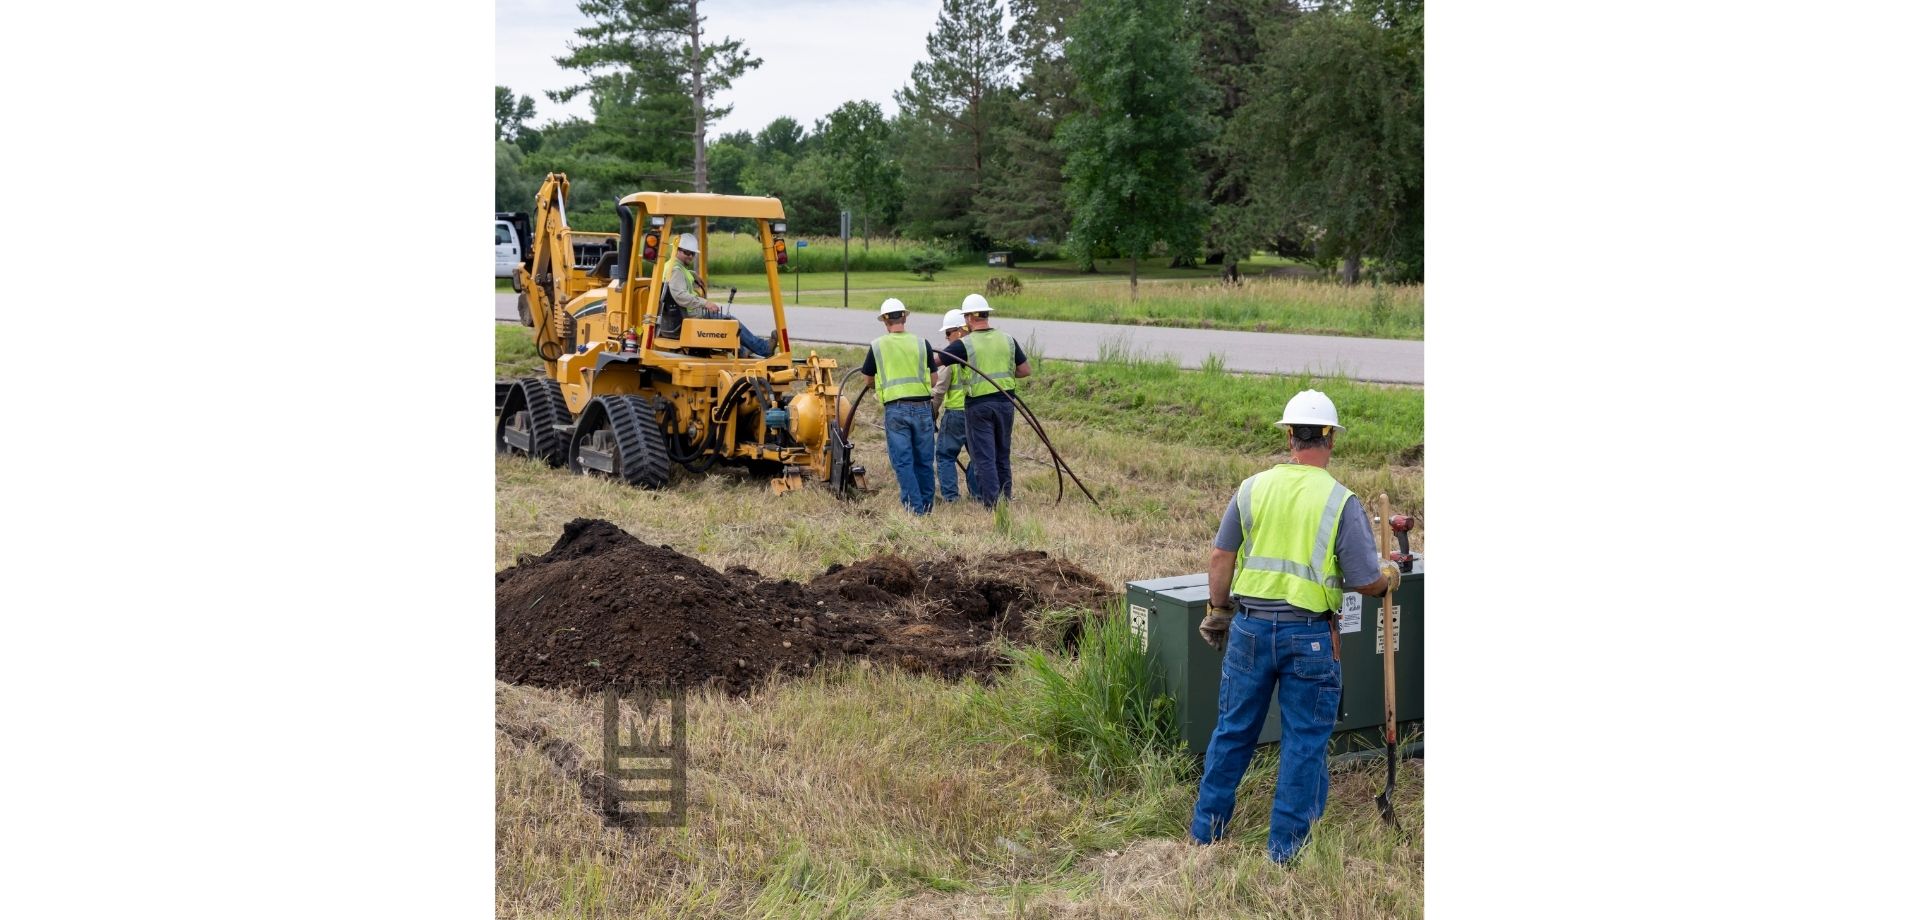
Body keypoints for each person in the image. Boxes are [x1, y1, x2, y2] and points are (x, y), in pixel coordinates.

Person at [1188, 389, 1400, 865]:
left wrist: (1218, 610)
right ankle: (1284, 854)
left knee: (1233, 731)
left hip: (1249, 630)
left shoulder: (1251, 488)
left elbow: (1221, 555)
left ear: (1289, 437)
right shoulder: (1340, 501)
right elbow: (1365, 579)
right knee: (1303, 742)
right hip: (1309, 638)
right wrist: (1388, 577)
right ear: (1330, 439)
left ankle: (1205, 835)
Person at [931, 294, 1030, 508]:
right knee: (1002, 454)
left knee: (984, 457)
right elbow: (1024, 370)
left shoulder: (965, 344)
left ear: (968, 318)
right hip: (1006, 403)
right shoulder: (1008, 339)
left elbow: (935, 361)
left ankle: (993, 505)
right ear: (986, 314)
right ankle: (1005, 499)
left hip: (979, 407)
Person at [858, 298, 939, 515]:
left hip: (896, 410)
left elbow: (867, 379)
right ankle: (927, 507)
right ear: (904, 318)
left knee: (903, 461)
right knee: (924, 460)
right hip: (923, 408)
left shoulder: (877, 346)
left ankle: (915, 509)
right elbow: (934, 380)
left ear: (885, 322)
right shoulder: (922, 343)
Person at [660, 233, 774, 358]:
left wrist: (692, 273)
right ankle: (764, 348)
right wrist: (705, 303)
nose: (690, 256)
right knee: (731, 322)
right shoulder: (676, 270)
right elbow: (680, 295)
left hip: (678, 318)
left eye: (693, 253)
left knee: (725, 320)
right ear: (677, 250)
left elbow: (677, 280)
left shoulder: (670, 266)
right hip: (691, 317)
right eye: (687, 253)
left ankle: (742, 351)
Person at [928, 308, 980, 503]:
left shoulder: (952, 357)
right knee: (978, 456)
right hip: (977, 412)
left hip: (956, 414)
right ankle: (978, 495)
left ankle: (951, 497)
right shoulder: (978, 351)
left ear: (959, 331)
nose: (947, 337)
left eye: (948, 333)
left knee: (945, 455)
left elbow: (939, 391)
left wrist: (931, 413)